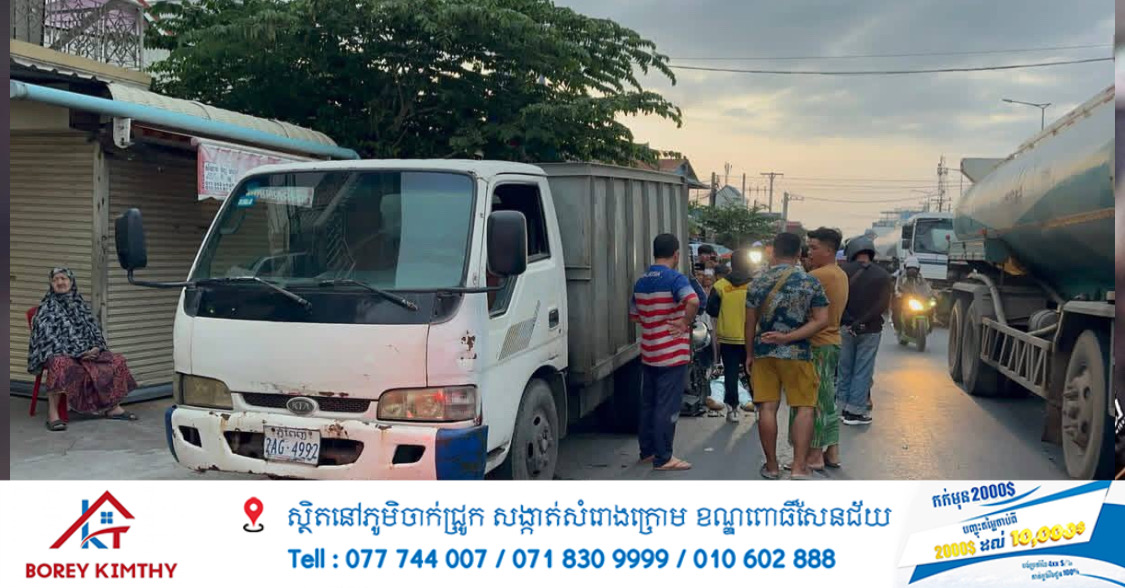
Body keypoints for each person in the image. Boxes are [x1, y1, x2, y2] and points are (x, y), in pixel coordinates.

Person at [744, 233, 830, 480]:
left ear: (773, 251)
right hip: (798, 353)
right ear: (799, 254)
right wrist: (789, 337)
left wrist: (749, 354)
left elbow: (749, 323)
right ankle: (799, 467)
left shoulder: (757, 282)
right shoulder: (809, 282)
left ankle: (772, 466)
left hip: (764, 352)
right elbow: (821, 320)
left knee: (767, 408)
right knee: (804, 408)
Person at [27, 268, 139, 431]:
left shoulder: (80, 305)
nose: (60, 282)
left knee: (116, 360)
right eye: (55, 279)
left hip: (86, 352)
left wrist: (96, 348)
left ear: (71, 282)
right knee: (59, 364)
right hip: (61, 353)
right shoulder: (47, 308)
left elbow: (95, 331)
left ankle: (113, 407)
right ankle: (53, 415)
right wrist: (78, 353)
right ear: (51, 284)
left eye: (64, 278)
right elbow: (48, 339)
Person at [630, 234, 700, 471]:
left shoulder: (641, 281)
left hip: (649, 351)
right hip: (671, 353)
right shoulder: (675, 278)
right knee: (666, 406)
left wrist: (654, 321)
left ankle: (647, 451)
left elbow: (634, 316)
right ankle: (664, 457)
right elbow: (693, 301)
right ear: (676, 254)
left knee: (648, 404)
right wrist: (684, 322)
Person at [787, 228, 848, 472]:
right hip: (831, 342)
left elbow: (796, 310)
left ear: (829, 250)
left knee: (809, 402)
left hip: (816, 344)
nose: (809, 253)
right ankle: (832, 450)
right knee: (826, 398)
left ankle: (813, 455)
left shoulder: (817, 276)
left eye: (814, 248)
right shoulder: (839, 273)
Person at [836, 237, 892, 426]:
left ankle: (840, 407)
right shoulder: (882, 275)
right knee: (862, 370)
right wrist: (861, 322)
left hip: (845, 328)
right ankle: (855, 412)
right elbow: (882, 305)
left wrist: (850, 322)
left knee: (844, 369)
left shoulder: (842, 272)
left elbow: (838, 301)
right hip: (870, 329)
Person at [705, 248, 756, 422]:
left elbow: (711, 309)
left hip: (728, 338)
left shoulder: (720, 286)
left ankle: (733, 410)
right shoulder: (755, 285)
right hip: (751, 337)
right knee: (753, 374)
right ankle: (758, 407)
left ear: (731, 265)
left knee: (731, 374)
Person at [891, 256, 934, 332]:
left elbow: (925, 286)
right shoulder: (900, 275)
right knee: (896, 307)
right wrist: (898, 293)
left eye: (914, 269)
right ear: (906, 267)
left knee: (931, 306)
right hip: (903, 296)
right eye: (910, 268)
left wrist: (930, 294)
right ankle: (897, 326)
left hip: (916, 297)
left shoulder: (920, 277)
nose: (912, 271)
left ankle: (930, 324)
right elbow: (896, 286)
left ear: (918, 269)